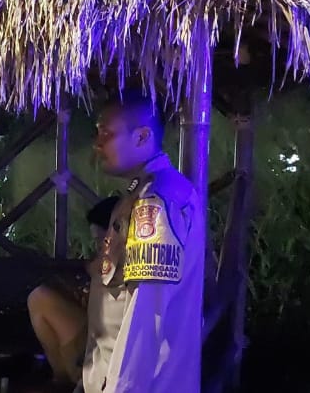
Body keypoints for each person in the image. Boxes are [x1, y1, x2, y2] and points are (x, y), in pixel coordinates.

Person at [78, 91, 206, 393]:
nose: (97, 144)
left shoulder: (156, 200)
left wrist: (122, 387)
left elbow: (146, 311)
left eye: (107, 133)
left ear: (142, 137)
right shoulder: (142, 194)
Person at [26, 194, 120, 387]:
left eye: (100, 240)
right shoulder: (103, 263)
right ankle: (65, 379)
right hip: (97, 336)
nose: (99, 247)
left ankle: (68, 379)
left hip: (110, 346)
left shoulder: (125, 259)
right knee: (40, 299)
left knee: (41, 299)